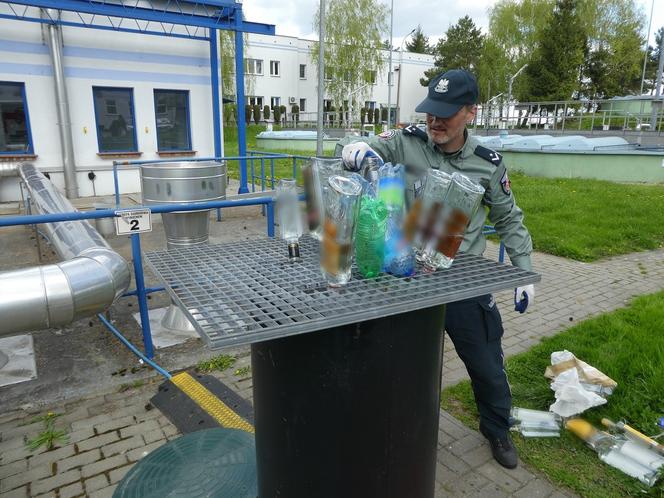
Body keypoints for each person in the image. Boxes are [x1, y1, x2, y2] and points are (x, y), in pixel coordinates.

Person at [337, 69, 535, 469]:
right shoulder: (408, 143)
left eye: (446, 113)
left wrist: (524, 271)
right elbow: (364, 148)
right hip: (407, 275)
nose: (435, 121)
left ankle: (496, 428)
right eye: (431, 111)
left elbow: (509, 219)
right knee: (392, 359)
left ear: (470, 114)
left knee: (484, 360)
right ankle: (387, 429)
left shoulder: (487, 164)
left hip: (462, 279)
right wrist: (354, 148)